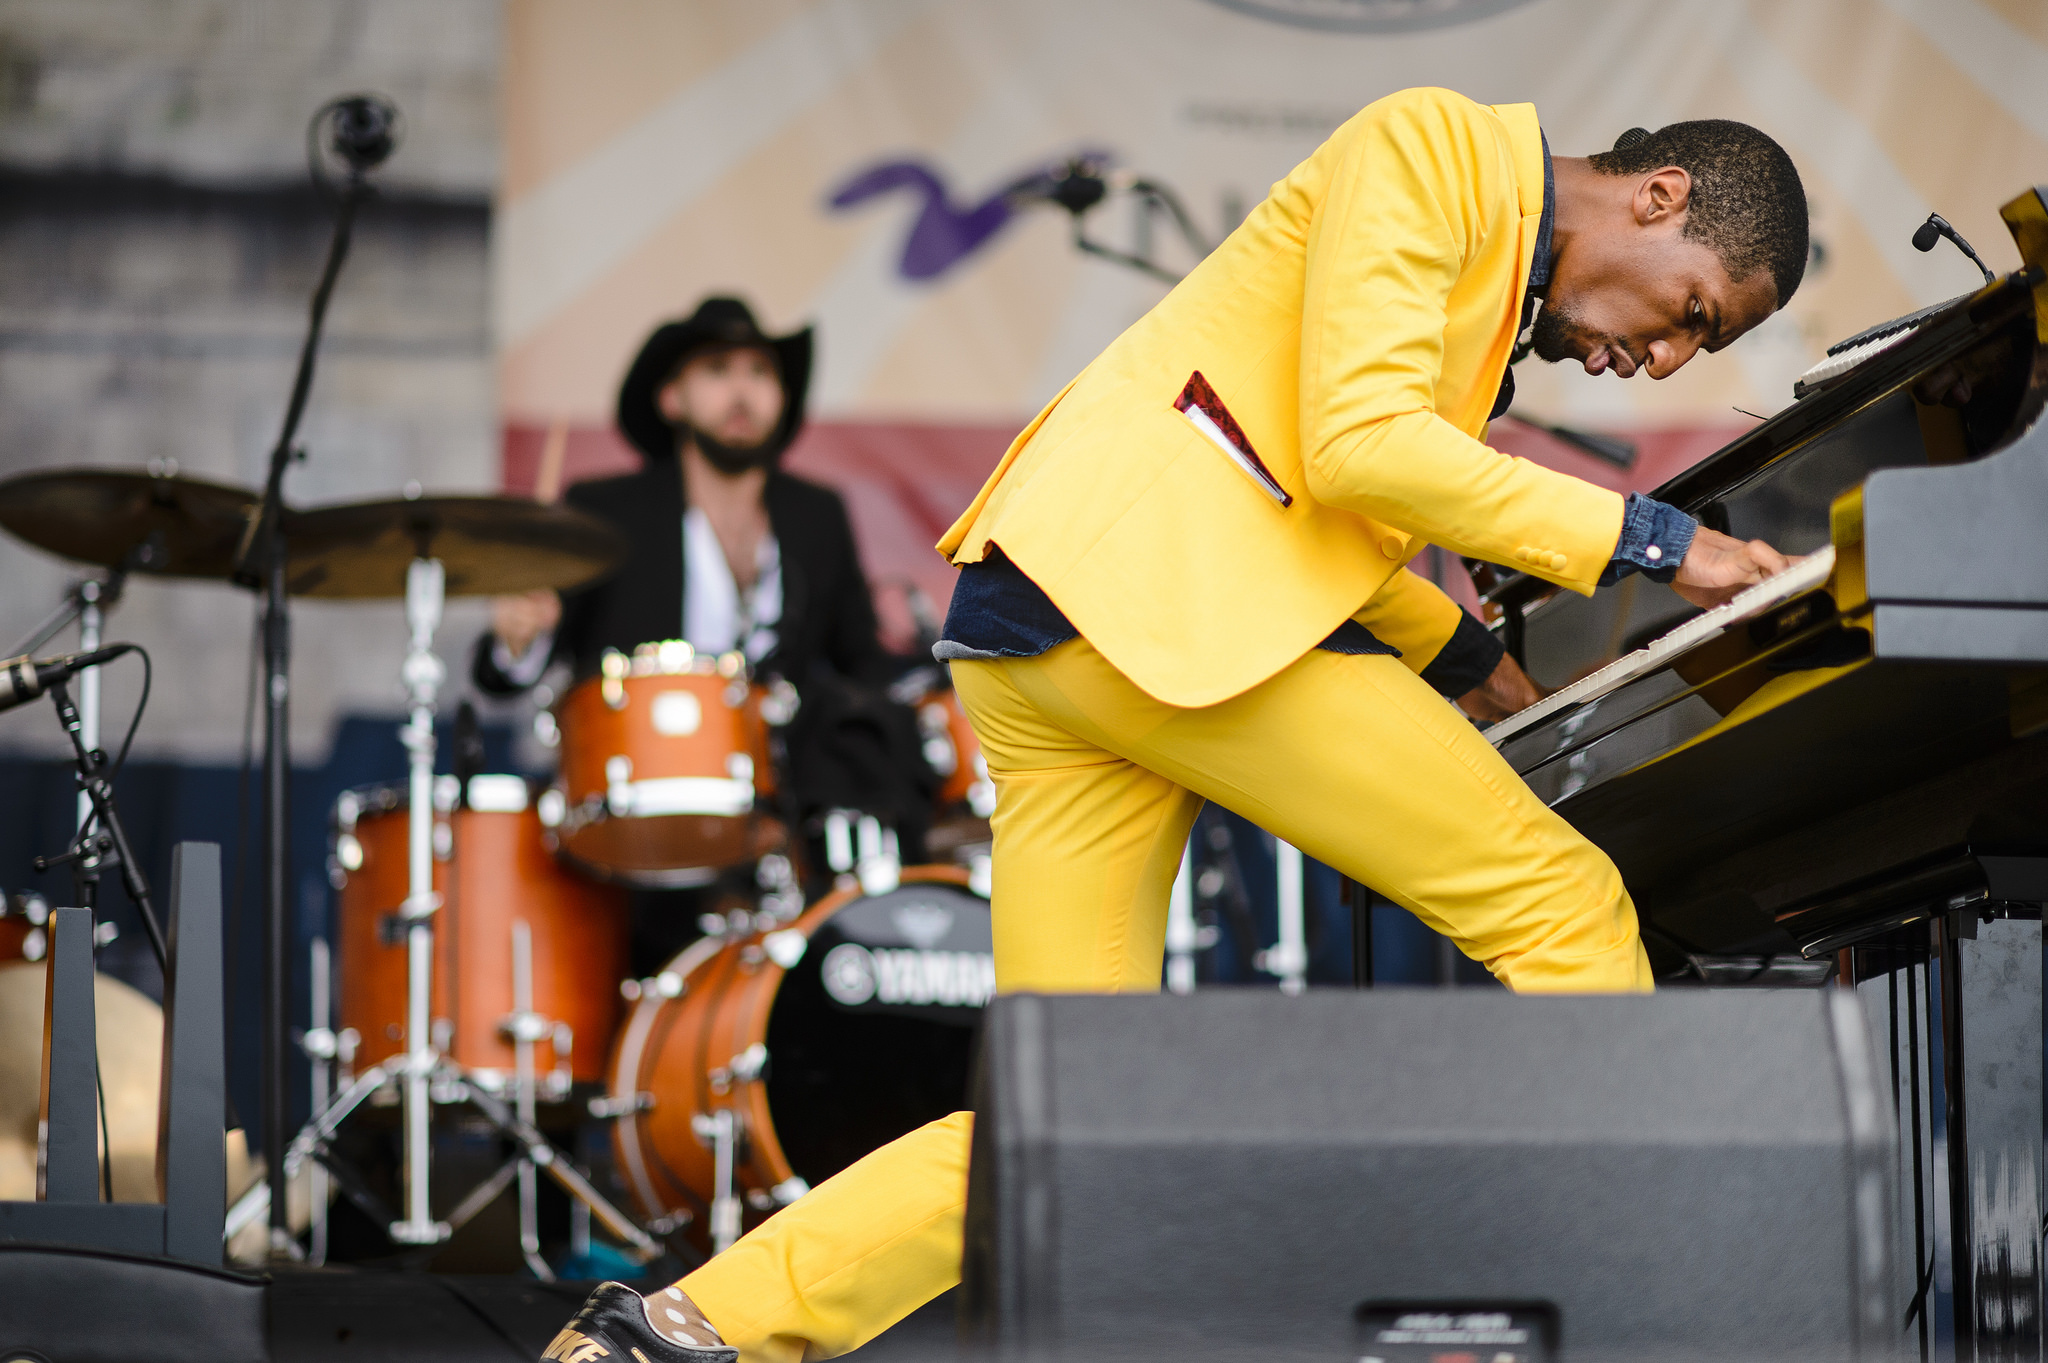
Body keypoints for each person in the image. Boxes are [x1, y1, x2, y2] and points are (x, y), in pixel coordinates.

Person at [537, 92, 1809, 1363]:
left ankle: (675, 1335)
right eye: (1694, 313)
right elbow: (1360, 448)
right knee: (1564, 906)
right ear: (1660, 197)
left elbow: (1298, 478)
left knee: (1063, 1125)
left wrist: (1465, 653)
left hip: (1053, 626)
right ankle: (1629, 1320)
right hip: (1157, 616)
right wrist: (1660, 541)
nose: (1665, 360)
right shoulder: (1440, 149)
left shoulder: (1479, 262)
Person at [477, 297, 928, 964]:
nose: (742, 390)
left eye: (760, 371)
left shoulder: (815, 514)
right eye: (718, 369)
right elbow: (513, 670)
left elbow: (860, 662)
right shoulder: (609, 509)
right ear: (671, 398)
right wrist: (520, 637)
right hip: (642, 812)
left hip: (786, 816)